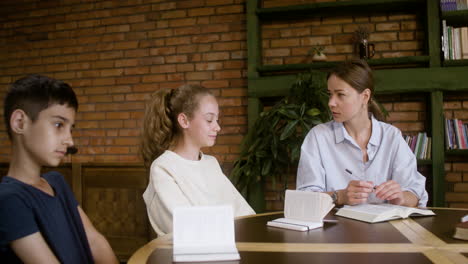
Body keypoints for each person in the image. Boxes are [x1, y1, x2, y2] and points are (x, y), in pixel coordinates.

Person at [0, 75, 118, 263]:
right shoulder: (9, 199)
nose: (69, 140)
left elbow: (95, 242)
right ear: (20, 122)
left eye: (71, 128)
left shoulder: (57, 182)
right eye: (58, 125)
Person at [296, 60, 428, 207]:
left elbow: (415, 193)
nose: (331, 103)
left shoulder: (391, 136)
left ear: (365, 96)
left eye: (340, 94)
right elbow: (304, 200)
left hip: (384, 229)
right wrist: (340, 196)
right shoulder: (318, 137)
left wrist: (401, 197)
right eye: (330, 94)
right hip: (335, 228)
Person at [140, 84, 255, 236]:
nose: (217, 127)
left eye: (217, 120)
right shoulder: (163, 168)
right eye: (209, 120)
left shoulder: (210, 163)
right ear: (184, 121)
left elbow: (244, 215)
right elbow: (188, 229)